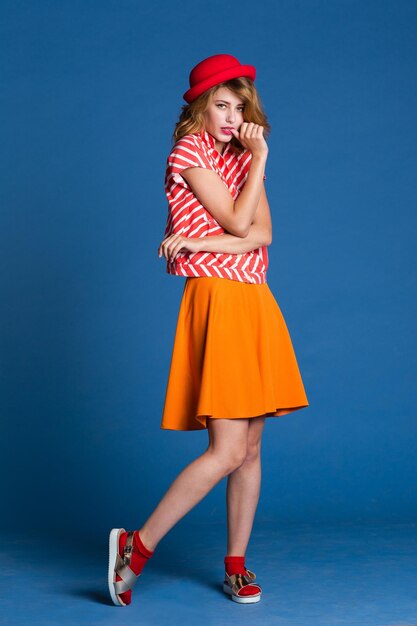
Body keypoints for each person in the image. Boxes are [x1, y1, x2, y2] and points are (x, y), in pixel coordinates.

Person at [108, 53, 309, 607]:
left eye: (239, 106)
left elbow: (263, 235)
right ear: (199, 105)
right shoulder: (189, 151)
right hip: (217, 300)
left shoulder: (245, 158)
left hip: (254, 300)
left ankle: (236, 566)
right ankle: (135, 546)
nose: (230, 116)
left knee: (250, 448)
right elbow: (242, 224)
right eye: (221, 105)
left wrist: (199, 240)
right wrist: (225, 235)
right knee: (225, 450)